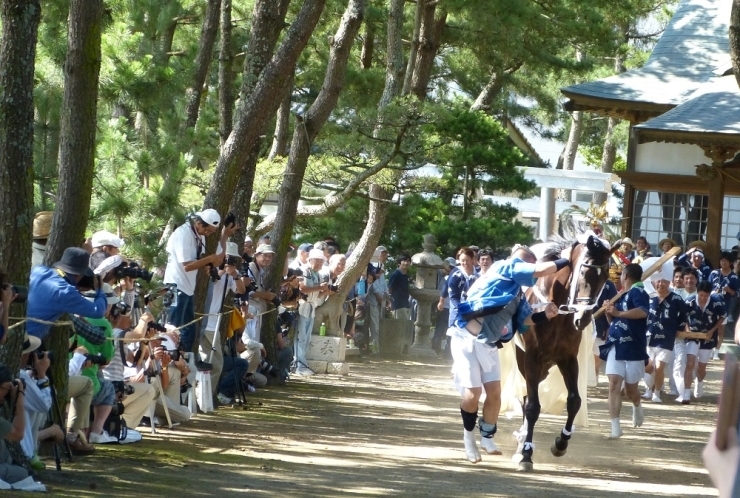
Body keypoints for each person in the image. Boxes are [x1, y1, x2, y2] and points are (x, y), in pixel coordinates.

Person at [448, 244, 562, 463]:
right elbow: (540, 271)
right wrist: (567, 259)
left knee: (495, 394)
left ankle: (487, 437)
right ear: (521, 263)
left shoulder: (517, 294)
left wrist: (545, 314)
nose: (529, 273)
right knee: (472, 394)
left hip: (489, 344)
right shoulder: (504, 266)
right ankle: (469, 438)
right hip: (465, 340)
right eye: (527, 266)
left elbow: (524, 320)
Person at [163, 209, 232, 360]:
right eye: (207, 230)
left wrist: (208, 265)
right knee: (173, 328)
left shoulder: (199, 234)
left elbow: (199, 257)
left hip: (188, 288)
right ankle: (170, 362)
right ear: (198, 223)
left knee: (189, 331)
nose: (207, 234)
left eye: (211, 232)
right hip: (176, 285)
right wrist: (209, 259)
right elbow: (186, 265)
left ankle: (184, 362)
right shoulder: (183, 234)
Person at [603, 263, 649, 439]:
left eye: (621, 274)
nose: (620, 277)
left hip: (634, 347)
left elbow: (642, 312)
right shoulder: (620, 295)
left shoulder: (639, 292)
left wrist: (618, 313)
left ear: (626, 276)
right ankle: (615, 426)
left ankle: (637, 404)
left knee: (631, 391)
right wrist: (610, 313)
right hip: (616, 343)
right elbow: (614, 322)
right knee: (614, 383)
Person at [26, 247, 108, 340]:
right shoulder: (66, 292)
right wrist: (99, 289)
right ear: (77, 275)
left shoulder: (38, 270)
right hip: (28, 339)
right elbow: (98, 311)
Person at [199, 242, 246, 394]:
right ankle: (204, 396)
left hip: (214, 324)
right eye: (227, 258)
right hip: (205, 321)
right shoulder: (210, 269)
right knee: (215, 364)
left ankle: (206, 395)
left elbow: (241, 290)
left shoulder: (231, 274)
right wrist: (221, 272)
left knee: (214, 363)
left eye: (232, 259)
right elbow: (209, 284)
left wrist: (235, 275)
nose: (229, 262)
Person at [642, 277, 687, 403]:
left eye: (663, 281)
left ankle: (656, 393)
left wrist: (680, 328)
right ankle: (648, 389)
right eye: (658, 281)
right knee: (648, 367)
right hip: (648, 337)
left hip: (666, 338)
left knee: (659, 367)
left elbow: (685, 313)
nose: (660, 284)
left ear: (668, 283)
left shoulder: (676, 299)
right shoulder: (649, 298)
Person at [682, 280, 726, 403]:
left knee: (702, 368)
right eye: (701, 295)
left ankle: (699, 380)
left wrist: (713, 330)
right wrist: (687, 329)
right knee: (690, 363)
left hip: (708, 337)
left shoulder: (716, 302)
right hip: (692, 336)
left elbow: (723, 316)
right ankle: (686, 393)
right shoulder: (689, 301)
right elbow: (683, 316)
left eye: (706, 295)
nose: (703, 298)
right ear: (697, 292)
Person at [294, 249, 329, 375]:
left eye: (322, 261)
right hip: (302, 306)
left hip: (311, 307)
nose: (320, 263)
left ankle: (303, 364)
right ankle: (299, 365)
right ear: (310, 260)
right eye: (317, 260)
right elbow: (302, 288)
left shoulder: (318, 274)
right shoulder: (303, 270)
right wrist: (319, 287)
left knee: (307, 338)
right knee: (300, 337)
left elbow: (317, 294)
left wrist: (325, 291)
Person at [709, 252, 739, 358]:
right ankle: (709, 350)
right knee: (710, 327)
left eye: (726, 260)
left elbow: (737, 293)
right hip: (711, 305)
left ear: (730, 262)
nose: (723, 262)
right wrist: (712, 292)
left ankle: (716, 352)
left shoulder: (734, 277)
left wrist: (729, 290)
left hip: (724, 305)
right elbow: (707, 286)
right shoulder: (714, 273)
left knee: (720, 330)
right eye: (721, 260)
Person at [592, 279, 617, 382]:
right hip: (584, 322)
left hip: (600, 324)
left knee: (596, 356)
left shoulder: (609, 285)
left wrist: (608, 327)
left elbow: (613, 305)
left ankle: (594, 377)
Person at [433, 257, 456, 354]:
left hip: (450, 308)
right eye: (449, 266)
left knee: (448, 331)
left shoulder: (451, 277)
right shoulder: (438, 274)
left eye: (451, 267)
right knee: (440, 329)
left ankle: (445, 351)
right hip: (442, 307)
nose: (449, 269)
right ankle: (435, 349)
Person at [387, 253, 412, 320]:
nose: (406, 263)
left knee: (405, 325)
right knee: (400, 325)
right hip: (397, 304)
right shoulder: (396, 274)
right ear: (399, 263)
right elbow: (389, 288)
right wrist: (389, 302)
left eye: (408, 261)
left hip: (406, 303)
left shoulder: (406, 276)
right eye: (404, 261)